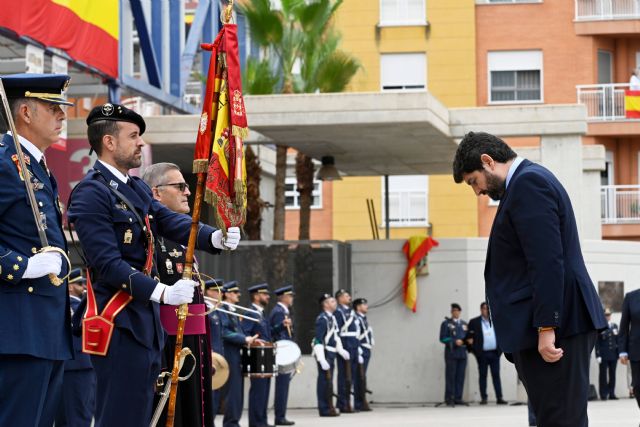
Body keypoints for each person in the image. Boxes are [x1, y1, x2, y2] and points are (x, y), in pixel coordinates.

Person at [67, 103, 241, 427]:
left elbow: (170, 222)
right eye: (133, 136)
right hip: (118, 321)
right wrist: (162, 292)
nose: (140, 143)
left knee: (146, 415)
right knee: (122, 416)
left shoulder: (135, 189)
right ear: (109, 142)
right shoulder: (91, 193)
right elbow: (107, 264)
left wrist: (214, 238)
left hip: (145, 323)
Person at [452, 131, 607, 426]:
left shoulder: (528, 184)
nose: (477, 192)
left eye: (474, 181)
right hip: (556, 325)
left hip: (558, 327)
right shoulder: (524, 184)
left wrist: (547, 327)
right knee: (556, 417)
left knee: (560, 419)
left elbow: (547, 261)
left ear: (488, 161)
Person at [0, 73, 73, 426]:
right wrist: (20, 266)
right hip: (17, 329)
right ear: (26, 112)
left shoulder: (37, 167)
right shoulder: (4, 162)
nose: (62, 116)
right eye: (53, 107)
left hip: (46, 329)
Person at [142, 162, 213, 427]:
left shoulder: (185, 237)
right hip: (168, 342)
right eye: (180, 186)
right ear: (156, 193)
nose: (187, 192)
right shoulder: (150, 235)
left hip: (195, 338)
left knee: (197, 408)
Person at [55, 268, 96, 427]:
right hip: (78, 366)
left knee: (66, 417)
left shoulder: (68, 304)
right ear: (70, 287)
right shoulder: (75, 305)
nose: (83, 287)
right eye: (79, 284)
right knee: (79, 416)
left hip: (71, 366)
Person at [220, 281, 257, 427]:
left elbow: (237, 331)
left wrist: (248, 340)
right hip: (229, 354)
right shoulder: (223, 309)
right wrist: (244, 338)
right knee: (233, 391)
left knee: (238, 391)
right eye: (235, 293)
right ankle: (230, 423)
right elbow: (224, 332)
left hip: (236, 353)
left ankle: (233, 421)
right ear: (227, 294)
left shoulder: (232, 310)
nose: (238, 295)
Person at [241, 283, 274, 427]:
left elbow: (265, 333)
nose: (268, 297)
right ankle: (256, 423)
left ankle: (262, 421)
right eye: (264, 294)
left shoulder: (260, 313)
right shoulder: (251, 313)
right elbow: (246, 333)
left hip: (265, 353)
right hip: (256, 355)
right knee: (258, 390)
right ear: (256, 296)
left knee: (265, 390)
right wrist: (256, 340)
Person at [313, 293, 346, 417]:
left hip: (331, 352)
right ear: (325, 304)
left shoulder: (332, 318)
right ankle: (324, 408)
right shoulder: (322, 319)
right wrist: (321, 358)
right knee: (324, 381)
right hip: (325, 352)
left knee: (329, 381)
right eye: (332, 301)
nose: (335, 303)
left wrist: (341, 350)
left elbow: (335, 337)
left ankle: (328, 406)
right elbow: (318, 340)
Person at [467, 301, 506, 405]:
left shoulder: (496, 321)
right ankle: (484, 398)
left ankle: (499, 397)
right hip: (482, 354)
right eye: (485, 308)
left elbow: (503, 335)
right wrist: (475, 351)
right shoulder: (474, 322)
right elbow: (469, 338)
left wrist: (500, 350)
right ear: (481, 310)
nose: (487, 310)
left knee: (496, 375)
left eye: (488, 308)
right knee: (483, 375)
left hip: (494, 353)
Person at [269, 285, 296, 426]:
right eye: (290, 296)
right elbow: (274, 332)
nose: (292, 298)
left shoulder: (284, 311)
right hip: (282, 352)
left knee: (284, 385)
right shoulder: (279, 312)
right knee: (282, 385)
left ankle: (281, 415)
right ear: (284, 297)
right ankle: (280, 416)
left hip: (286, 351)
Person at [334, 289, 359, 413]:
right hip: (345, 345)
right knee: (344, 376)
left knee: (352, 376)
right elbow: (337, 330)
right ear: (339, 298)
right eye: (346, 295)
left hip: (353, 345)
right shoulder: (338, 312)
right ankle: (342, 403)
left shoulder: (351, 312)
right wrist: (340, 348)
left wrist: (357, 346)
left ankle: (349, 402)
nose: (349, 297)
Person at [205, 278, 225, 426]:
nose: (221, 294)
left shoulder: (216, 309)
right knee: (209, 395)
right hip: (210, 356)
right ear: (210, 291)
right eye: (219, 291)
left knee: (216, 394)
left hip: (218, 357)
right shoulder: (206, 309)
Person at [439, 303, 468, 406]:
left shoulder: (464, 324)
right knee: (451, 376)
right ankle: (449, 398)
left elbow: (467, 338)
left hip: (462, 354)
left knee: (460, 376)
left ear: (460, 312)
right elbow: (442, 338)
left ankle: (458, 398)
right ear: (451, 312)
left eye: (458, 311)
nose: (456, 312)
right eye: (454, 310)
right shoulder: (446, 324)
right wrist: (454, 341)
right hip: (451, 353)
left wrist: (468, 341)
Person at [619, 288, 640, 410]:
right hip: (637, 350)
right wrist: (622, 350)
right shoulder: (631, 297)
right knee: (637, 386)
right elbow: (624, 326)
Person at [353, 298, 373, 412]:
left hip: (366, 348)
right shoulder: (356, 318)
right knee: (358, 377)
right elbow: (356, 335)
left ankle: (361, 401)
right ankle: (358, 403)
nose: (366, 306)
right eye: (363, 304)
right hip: (361, 349)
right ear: (358, 306)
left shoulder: (363, 318)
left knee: (362, 376)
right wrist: (359, 348)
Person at [596, 307, 619, 400]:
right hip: (603, 354)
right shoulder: (600, 327)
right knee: (603, 375)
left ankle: (612, 393)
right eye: (606, 315)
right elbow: (597, 341)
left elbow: (617, 340)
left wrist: (619, 353)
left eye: (609, 315)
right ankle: (603, 394)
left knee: (612, 374)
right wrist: (597, 355)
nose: (607, 317)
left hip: (613, 354)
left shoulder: (615, 326)